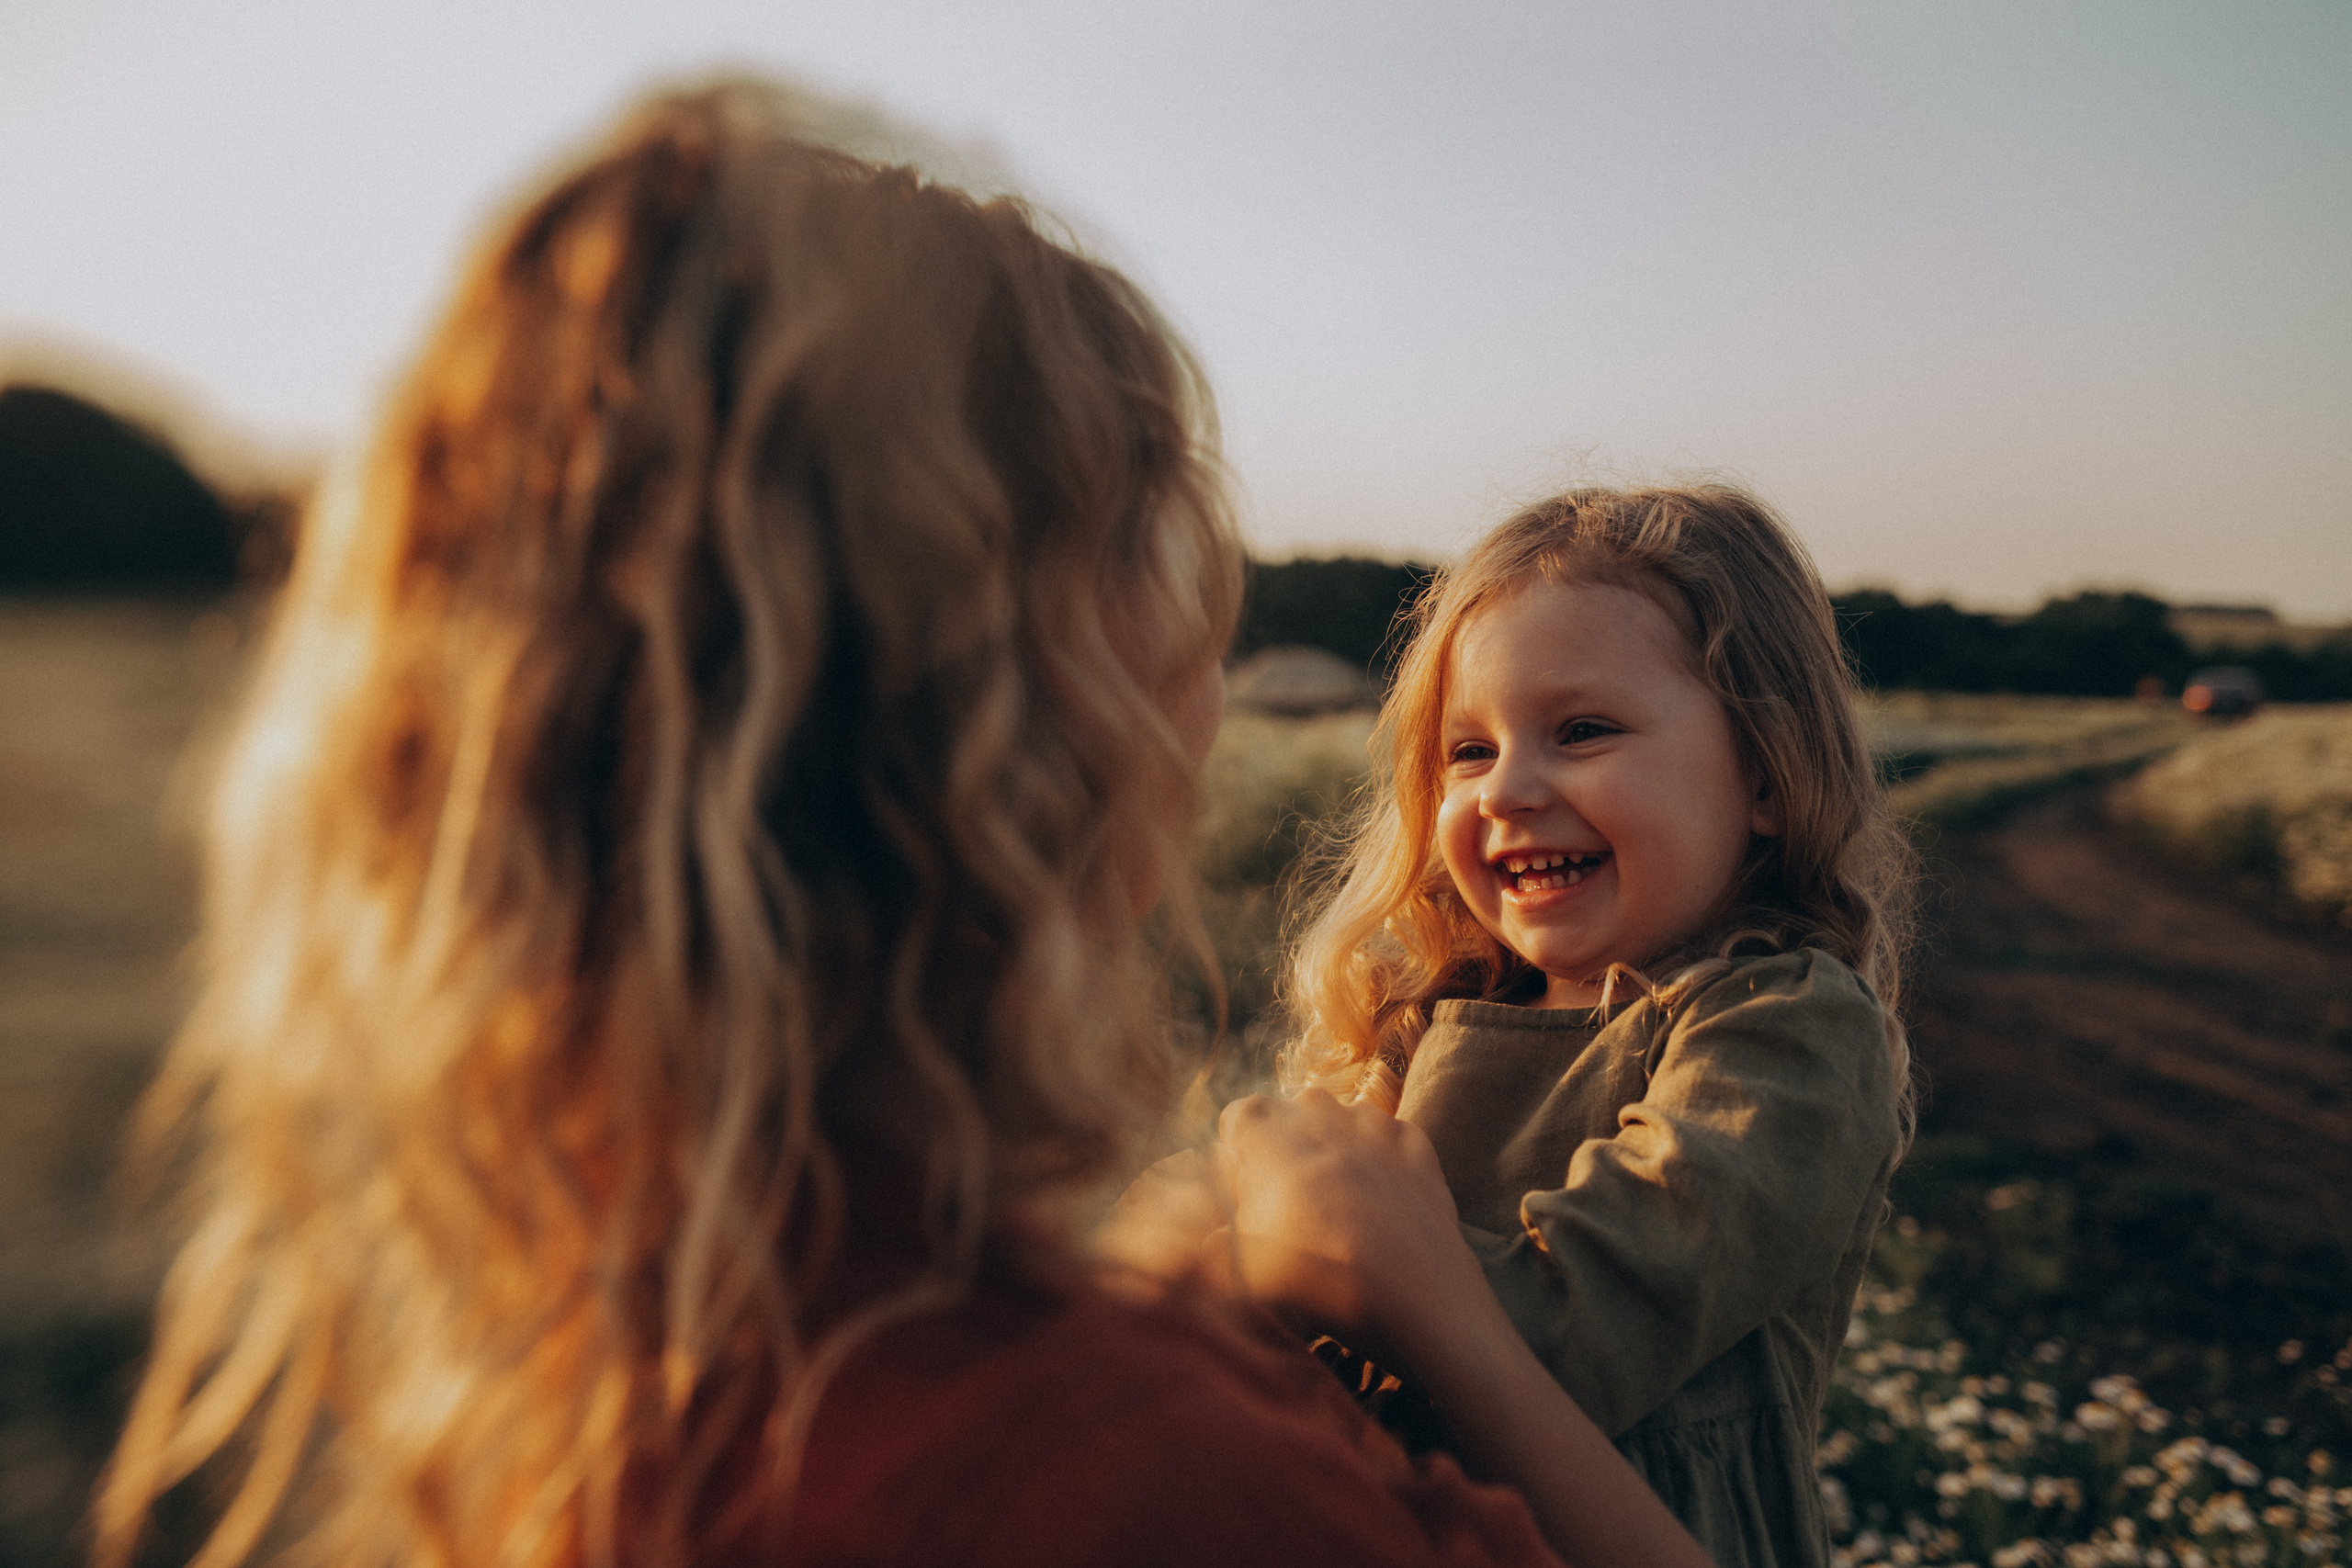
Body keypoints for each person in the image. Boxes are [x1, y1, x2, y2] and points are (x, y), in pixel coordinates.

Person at [91, 84, 1712, 1568]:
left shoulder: (595, 1369)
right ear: (1040, 722)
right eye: (1181, 622)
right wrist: (1402, 1313)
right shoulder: (1154, 1480)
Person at [1236, 486, 1918, 1568]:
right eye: (1468, 751)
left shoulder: (1789, 1033)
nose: (1506, 789)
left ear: (1766, 774)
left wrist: (1341, 1245)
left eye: (1582, 731)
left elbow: (1564, 1339)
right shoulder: (1435, 1017)